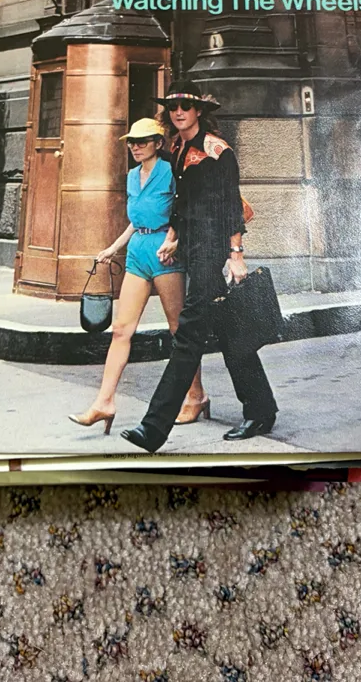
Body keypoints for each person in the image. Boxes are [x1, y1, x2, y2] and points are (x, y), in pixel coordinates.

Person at [121, 82, 278, 454]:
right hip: (191, 250)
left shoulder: (216, 150)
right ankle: (261, 410)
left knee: (188, 337)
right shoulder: (177, 149)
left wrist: (236, 254)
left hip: (213, 251)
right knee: (231, 333)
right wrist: (173, 237)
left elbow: (230, 205)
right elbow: (184, 203)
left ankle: (153, 428)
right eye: (173, 107)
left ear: (198, 111)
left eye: (186, 107)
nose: (179, 113)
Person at [69, 118, 208, 435]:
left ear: (158, 143)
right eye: (132, 141)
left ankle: (196, 395)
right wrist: (113, 248)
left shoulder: (171, 172)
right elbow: (137, 219)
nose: (135, 146)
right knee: (121, 330)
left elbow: (185, 211)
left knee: (179, 330)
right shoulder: (132, 176)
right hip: (137, 252)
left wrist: (176, 241)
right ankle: (104, 402)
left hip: (164, 251)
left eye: (142, 141)